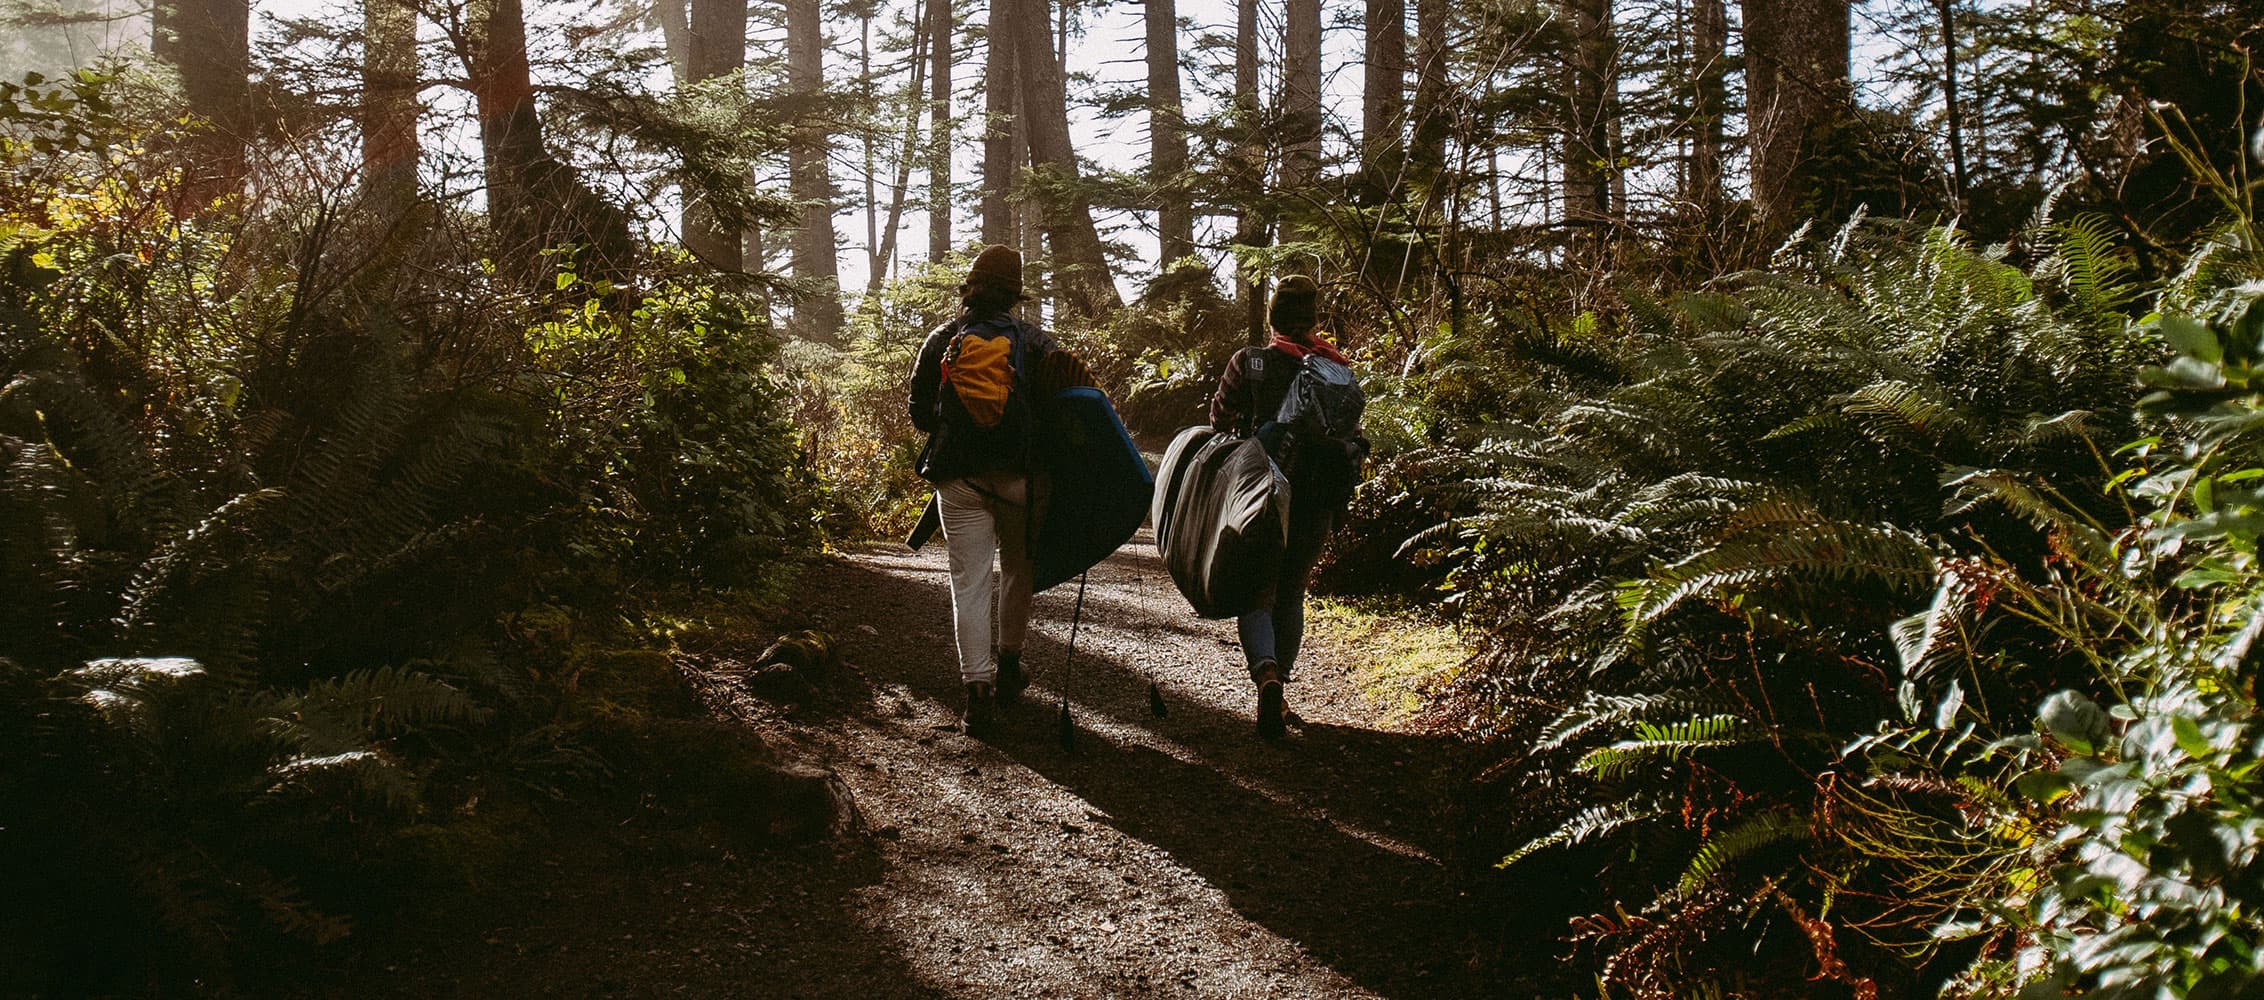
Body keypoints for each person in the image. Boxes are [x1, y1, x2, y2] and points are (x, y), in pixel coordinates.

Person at [908, 245, 1088, 736]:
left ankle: (977, 693)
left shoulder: (944, 338)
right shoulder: (1035, 342)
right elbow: (1066, 414)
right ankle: (1009, 667)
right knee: (1016, 571)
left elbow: (920, 411)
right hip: (1021, 480)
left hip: (958, 480)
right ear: (1014, 295)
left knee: (968, 582)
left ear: (969, 287)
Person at [1207, 274, 1366, 739]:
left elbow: (1219, 420)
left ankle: (1267, 676)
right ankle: (1282, 687)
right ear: (1313, 317)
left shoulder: (1250, 362)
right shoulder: (1337, 368)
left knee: (1258, 590)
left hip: (1262, 496)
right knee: (1292, 591)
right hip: (1318, 497)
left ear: (1273, 315)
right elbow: (1351, 433)